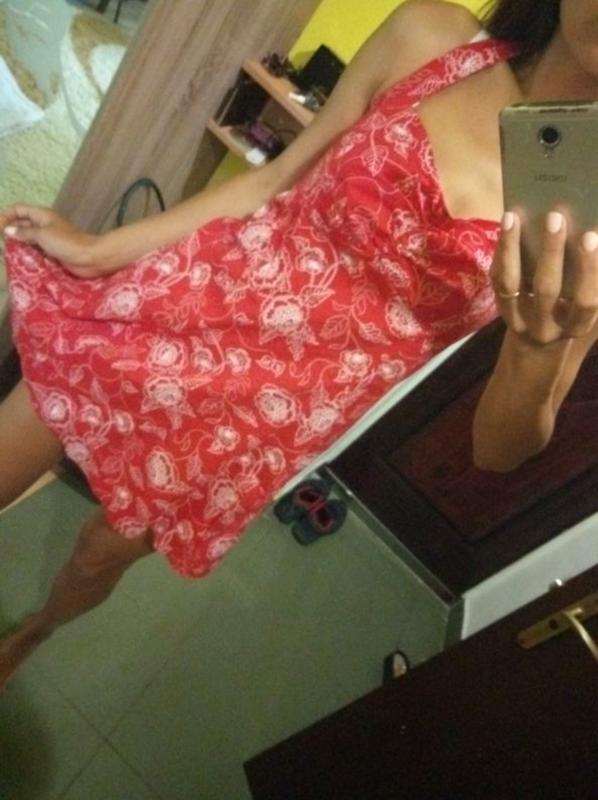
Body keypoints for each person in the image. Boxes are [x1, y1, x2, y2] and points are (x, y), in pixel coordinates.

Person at [0, 0, 597, 690]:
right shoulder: (433, 37)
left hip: (263, 416)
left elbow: (498, 450)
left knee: (101, 553)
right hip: (188, 303)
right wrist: (98, 250)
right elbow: (274, 179)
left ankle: (31, 634)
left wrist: (536, 348)